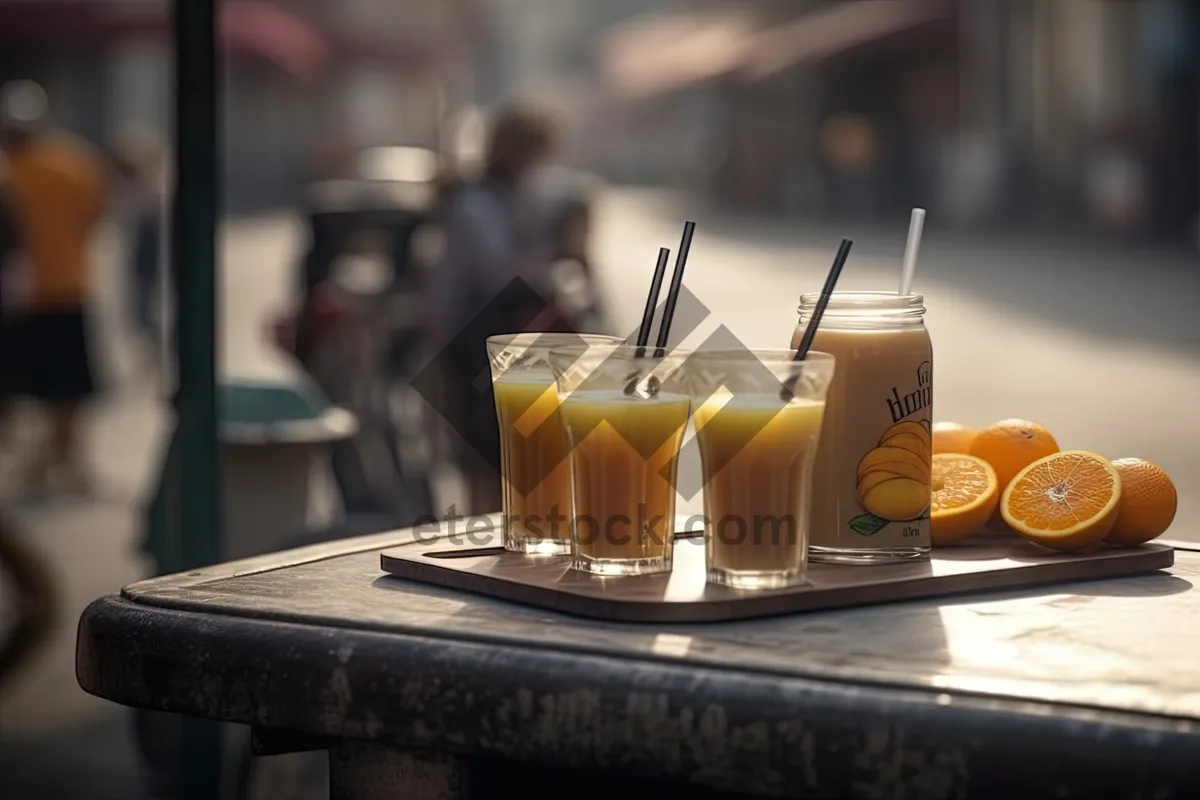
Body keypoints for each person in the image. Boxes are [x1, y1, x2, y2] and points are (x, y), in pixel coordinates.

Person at [427, 101, 562, 515]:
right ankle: (485, 538)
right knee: (485, 452)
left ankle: (501, 533)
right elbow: (494, 271)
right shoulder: (478, 202)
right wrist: (550, 265)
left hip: (484, 335)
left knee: (504, 452)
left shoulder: (506, 197)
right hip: (475, 340)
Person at [1, 80, 108, 496]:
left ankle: (52, 463)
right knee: (68, 386)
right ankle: (63, 460)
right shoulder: (74, 163)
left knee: (35, 387)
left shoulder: (9, 170)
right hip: (68, 286)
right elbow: (96, 215)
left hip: (23, 297)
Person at [112, 131, 166, 350]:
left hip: (148, 247)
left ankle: (156, 342)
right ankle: (153, 341)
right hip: (139, 248)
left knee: (145, 303)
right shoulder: (127, 190)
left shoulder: (148, 191)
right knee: (139, 306)